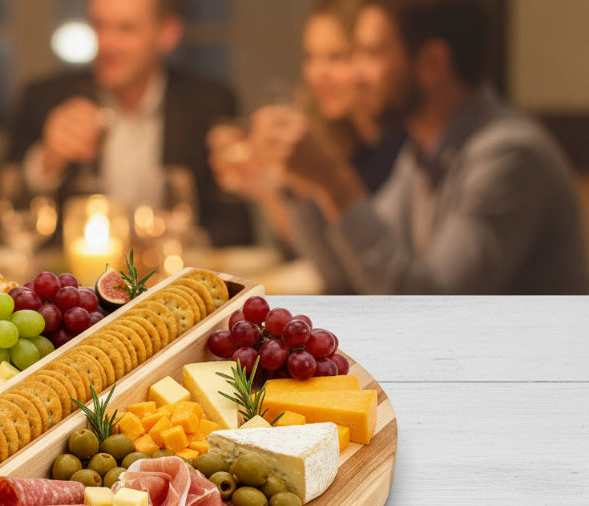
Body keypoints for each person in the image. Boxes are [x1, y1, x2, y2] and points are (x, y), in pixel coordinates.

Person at [243, 0, 589, 294]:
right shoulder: (424, 149)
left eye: (370, 53)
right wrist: (310, 185)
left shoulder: (509, 157)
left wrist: (336, 181)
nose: (355, 73)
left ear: (431, 63)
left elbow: (429, 303)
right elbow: (351, 276)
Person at [0, 0, 253, 248]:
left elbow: (236, 226)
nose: (107, 44)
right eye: (99, 25)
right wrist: (47, 160)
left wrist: (178, 246)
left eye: (126, 29)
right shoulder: (46, 98)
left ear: (167, 33)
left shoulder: (208, 102)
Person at [209, 0, 407, 293]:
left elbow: (364, 281)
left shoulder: (400, 149)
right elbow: (326, 265)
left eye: (336, 57)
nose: (317, 73)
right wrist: (269, 183)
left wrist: (317, 179)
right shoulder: (342, 138)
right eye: (311, 57)